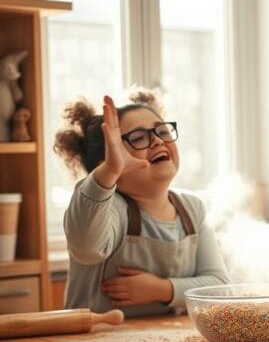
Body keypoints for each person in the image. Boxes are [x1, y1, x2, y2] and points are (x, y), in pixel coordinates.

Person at [54, 91, 228, 317]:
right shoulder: (111, 209)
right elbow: (86, 247)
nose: (157, 140)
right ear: (106, 164)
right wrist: (109, 172)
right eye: (138, 138)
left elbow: (219, 287)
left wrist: (161, 289)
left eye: (163, 131)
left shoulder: (192, 209)